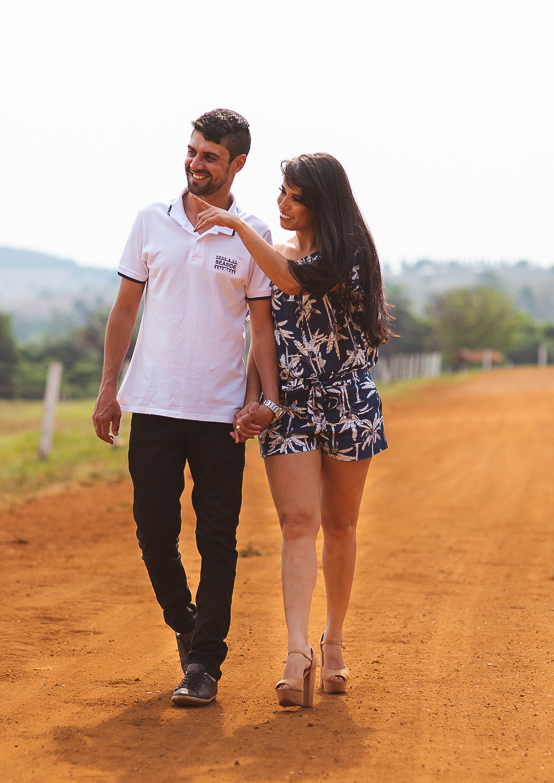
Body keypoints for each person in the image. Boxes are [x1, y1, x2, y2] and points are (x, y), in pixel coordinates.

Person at [92, 109, 280, 707]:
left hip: (221, 415)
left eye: (210, 157)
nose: (196, 164)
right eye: (193, 151)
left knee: (218, 539)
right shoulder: (152, 221)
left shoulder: (251, 234)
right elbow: (124, 311)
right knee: (154, 530)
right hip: (152, 403)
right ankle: (186, 622)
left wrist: (258, 402)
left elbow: (262, 330)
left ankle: (204, 664)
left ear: (237, 164)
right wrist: (108, 389)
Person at [194, 152, 391, 708]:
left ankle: (334, 641)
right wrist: (257, 401)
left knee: (341, 523)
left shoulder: (349, 253)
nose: (280, 202)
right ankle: (296, 650)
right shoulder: (270, 255)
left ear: (319, 204)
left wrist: (235, 224)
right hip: (292, 407)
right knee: (297, 522)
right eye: (279, 191)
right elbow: (260, 334)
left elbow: (296, 282)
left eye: (293, 195)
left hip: (349, 399)